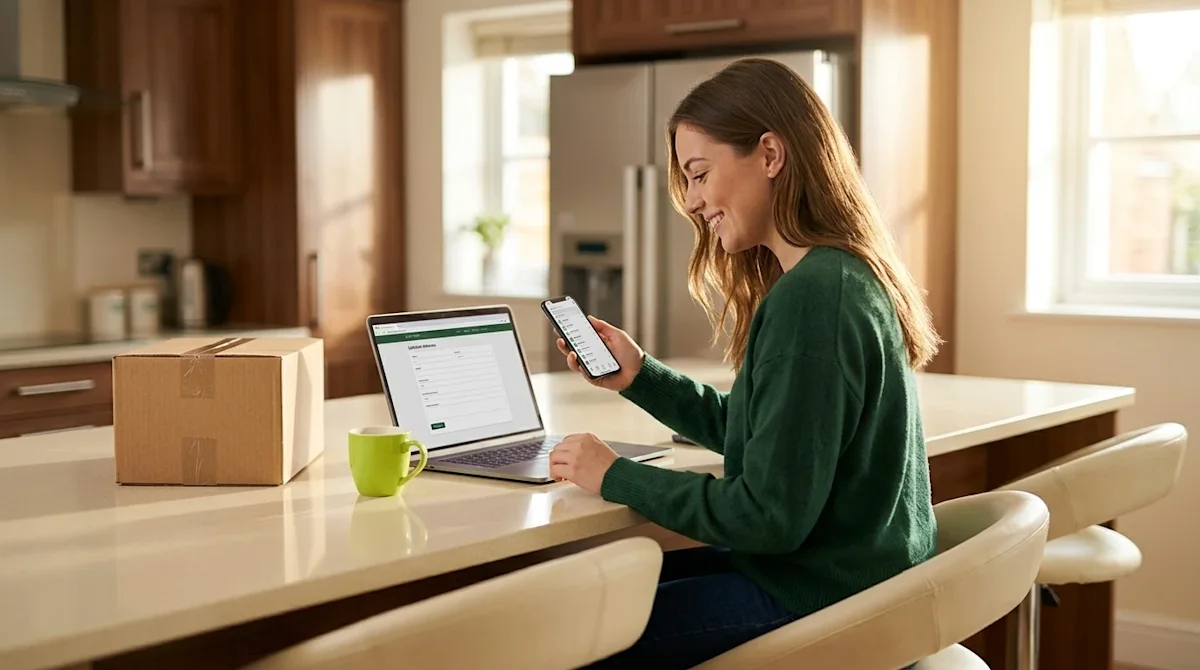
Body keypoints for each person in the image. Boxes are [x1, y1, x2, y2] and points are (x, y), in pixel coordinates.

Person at [547, 57, 941, 669]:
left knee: (575, 634)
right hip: (851, 582)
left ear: (770, 154)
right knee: (593, 598)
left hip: (821, 600)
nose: (695, 202)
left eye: (699, 174)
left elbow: (767, 517)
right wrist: (640, 376)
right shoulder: (841, 273)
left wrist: (613, 474)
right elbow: (771, 438)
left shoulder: (814, 297)